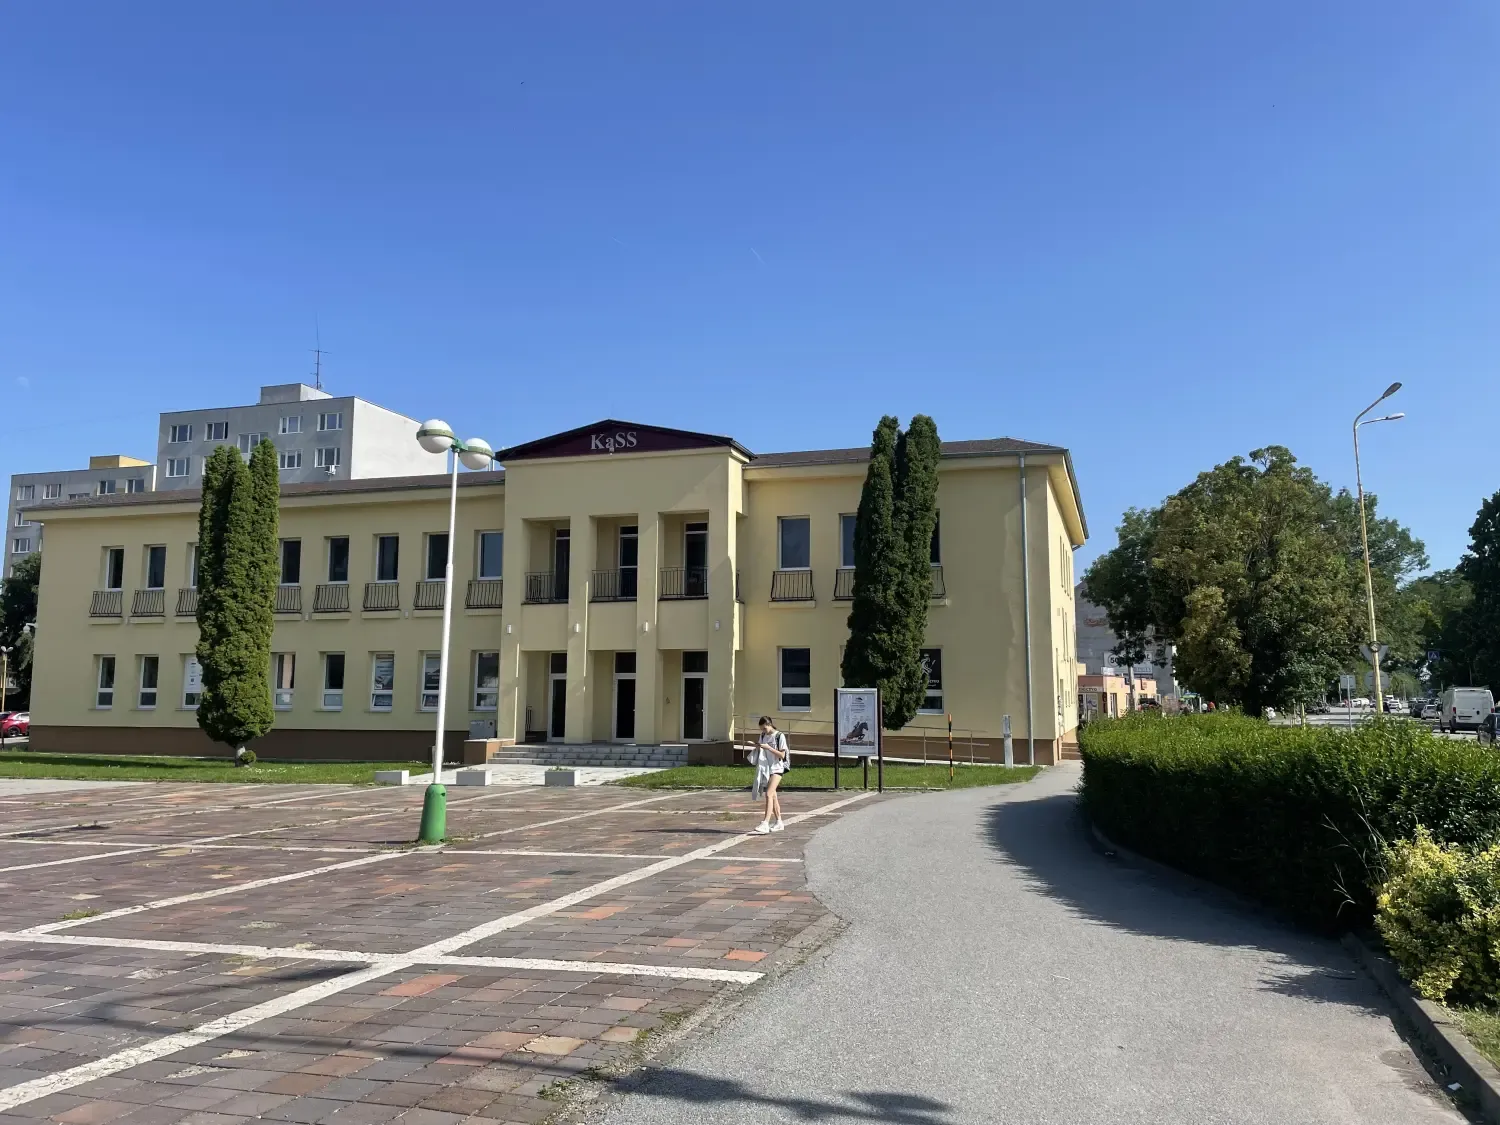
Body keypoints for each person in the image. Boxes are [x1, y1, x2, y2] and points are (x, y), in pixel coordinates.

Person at [750, 715, 789, 834]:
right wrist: (758, 746)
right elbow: (762, 749)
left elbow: (782, 755)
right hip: (767, 768)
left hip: (778, 768)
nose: (763, 731)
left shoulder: (779, 736)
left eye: (764, 728)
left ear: (769, 725)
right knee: (773, 796)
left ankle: (765, 823)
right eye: (761, 729)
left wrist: (769, 748)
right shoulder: (763, 735)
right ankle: (779, 822)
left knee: (769, 794)